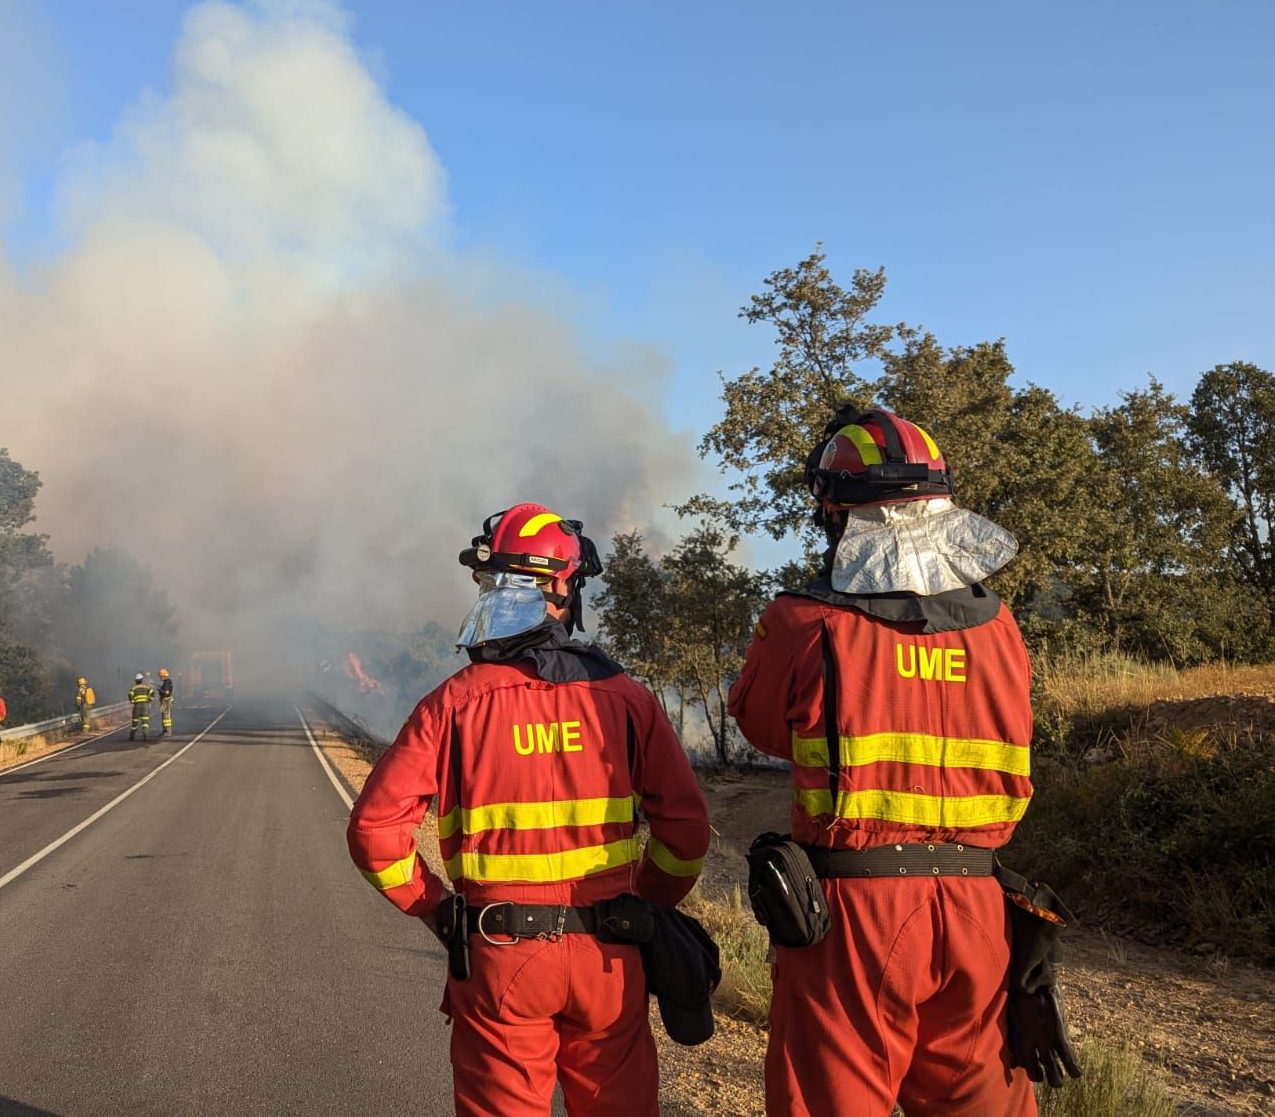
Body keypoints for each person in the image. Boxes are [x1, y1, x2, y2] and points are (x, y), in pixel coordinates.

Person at [729, 406, 1078, 1116]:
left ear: (835, 513)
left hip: (853, 914)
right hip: (981, 912)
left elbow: (762, 727)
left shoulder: (804, 620)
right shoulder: (999, 624)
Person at [347, 503, 711, 1116]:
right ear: (564, 585)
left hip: (501, 959)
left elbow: (375, 834)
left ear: (493, 586)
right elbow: (687, 835)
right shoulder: (627, 700)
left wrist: (438, 913)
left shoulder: (454, 703)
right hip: (612, 960)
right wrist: (644, 906)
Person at [128, 672, 155, 741]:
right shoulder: (146, 687)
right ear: (142, 680)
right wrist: (149, 700)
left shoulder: (133, 688)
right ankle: (145, 736)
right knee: (145, 722)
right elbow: (152, 693)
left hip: (137, 706)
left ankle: (132, 736)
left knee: (135, 722)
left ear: (136, 681)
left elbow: (130, 695)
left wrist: (132, 701)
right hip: (145, 706)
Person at [156, 667, 174, 737]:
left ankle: (168, 731)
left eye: (160, 676)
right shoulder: (168, 681)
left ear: (164, 675)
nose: (160, 677)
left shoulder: (167, 682)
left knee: (166, 717)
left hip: (166, 701)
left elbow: (166, 692)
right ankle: (165, 731)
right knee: (165, 716)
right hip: (166, 700)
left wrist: (160, 690)